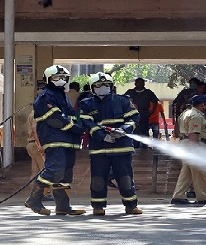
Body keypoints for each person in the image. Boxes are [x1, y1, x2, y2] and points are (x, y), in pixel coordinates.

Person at [24, 65, 86, 216]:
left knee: (65, 174)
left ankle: (63, 206)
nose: (60, 80)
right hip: (55, 140)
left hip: (68, 141)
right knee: (54, 169)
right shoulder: (46, 96)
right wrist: (76, 128)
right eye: (56, 78)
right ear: (48, 80)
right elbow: (55, 119)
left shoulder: (62, 96)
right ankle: (34, 200)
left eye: (63, 78)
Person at [78, 72, 143, 215]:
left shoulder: (123, 101)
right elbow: (87, 123)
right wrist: (103, 136)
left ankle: (131, 205)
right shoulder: (87, 104)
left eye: (106, 85)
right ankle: (98, 207)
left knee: (125, 177)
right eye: (99, 85)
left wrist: (123, 130)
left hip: (122, 147)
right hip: (99, 149)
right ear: (92, 87)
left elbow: (134, 118)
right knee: (98, 178)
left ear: (112, 86)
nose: (103, 87)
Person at [170, 95, 206, 205]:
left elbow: (177, 129)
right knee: (201, 171)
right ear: (203, 104)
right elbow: (193, 134)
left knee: (187, 173)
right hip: (194, 145)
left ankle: (178, 196)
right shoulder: (196, 116)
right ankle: (204, 197)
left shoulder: (186, 113)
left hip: (186, 145)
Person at [124, 78, 159, 146]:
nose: (140, 84)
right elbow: (124, 101)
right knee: (134, 130)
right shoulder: (130, 92)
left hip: (144, 115)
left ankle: (145, 146)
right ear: (135, 84)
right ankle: (135, 145)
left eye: (141, 83)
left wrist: (151, 111)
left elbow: (155, 102)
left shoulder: (148, 92)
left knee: (144, 131)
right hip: (132, 115)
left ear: (144, 84)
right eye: (138, 83)